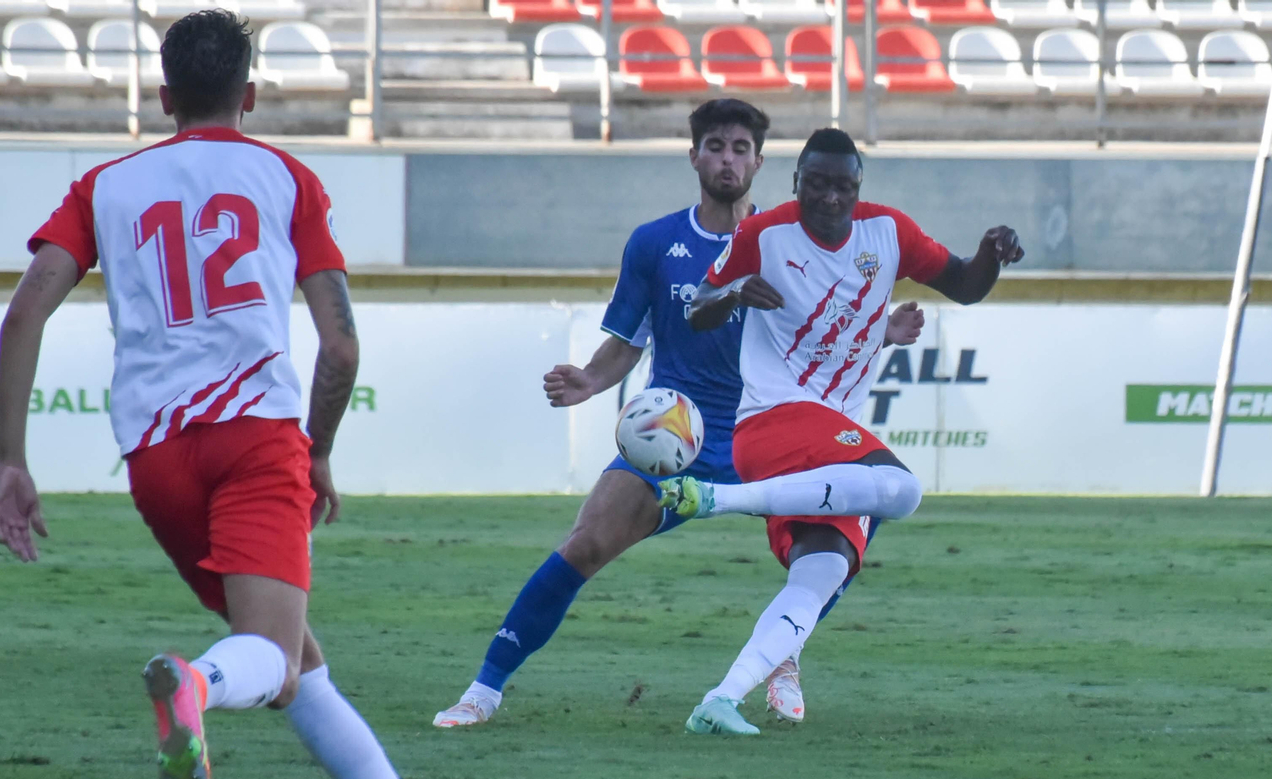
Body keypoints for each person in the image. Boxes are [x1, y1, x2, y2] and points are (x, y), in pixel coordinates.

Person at [0, 11, 474, 779]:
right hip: (255, 440)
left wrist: (10, 462)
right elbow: (341, 345)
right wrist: (317, 451)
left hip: (155, 458)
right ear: (249, 95)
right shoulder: (286, 176)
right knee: (269, 663)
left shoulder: (104, 185)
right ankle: (195, 685)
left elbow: (24, 313)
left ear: (163, 96)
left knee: (296, 666)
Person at [433, 102, 925, 730]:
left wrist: (881, 331)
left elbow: (829, 333)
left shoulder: (793, 241)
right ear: (694, 156)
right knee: (586, 544)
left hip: (776, 434)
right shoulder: (655, 243)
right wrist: (591, 379)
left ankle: (784, 656)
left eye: (741, 148)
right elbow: (627, 340)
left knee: (842, 541)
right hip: (677, 434)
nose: (728, 159)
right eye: (715, 146)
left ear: (760, 162)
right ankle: (483, 689)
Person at [661, 127, 1024, 736]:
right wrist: (734, 291)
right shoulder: (762, 234)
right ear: (796, 182)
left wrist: (991, 254)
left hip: (832, 441)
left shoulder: (888, 232)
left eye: (843, 186)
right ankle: (716, 498)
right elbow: (697, 309)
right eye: (817, 184)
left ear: (859, 187)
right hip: (774, 420)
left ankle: (721, 700)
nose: (830, 197)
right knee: (902, 490)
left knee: (821, 572)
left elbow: (964, 284)